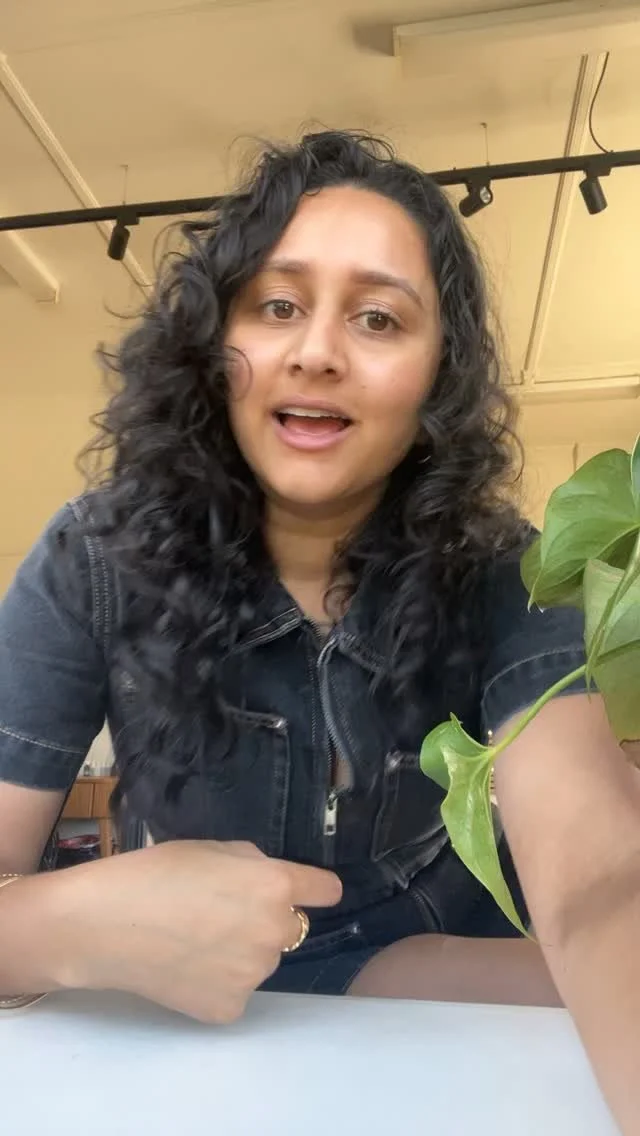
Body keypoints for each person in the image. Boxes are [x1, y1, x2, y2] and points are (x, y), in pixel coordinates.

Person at [0, 131, 638, 1129]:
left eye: (379, 318)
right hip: (179, 1004)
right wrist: (66, 921)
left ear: (438, 375)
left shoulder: (509, 569)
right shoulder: (91, 558)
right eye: (277, 305)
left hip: (427, 972)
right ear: (214, 343)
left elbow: (598, 881)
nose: (316, 352)